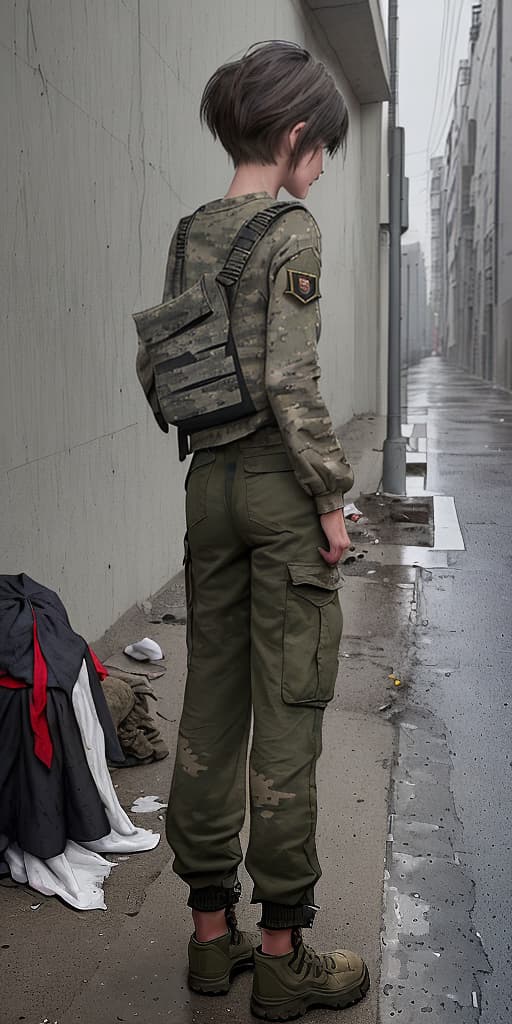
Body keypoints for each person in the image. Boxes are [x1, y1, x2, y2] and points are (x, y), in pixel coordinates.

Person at [136, 40, 369, 1021]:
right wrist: (328, 497)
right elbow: (288, 377)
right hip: (277, 489)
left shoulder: (193, 229)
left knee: (208, 710)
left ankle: (206, 939)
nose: (321, 172)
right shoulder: (291, 230)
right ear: (294, 136)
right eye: (323, 153)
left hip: (206, 485)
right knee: (289, 712)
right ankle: (281, 955)